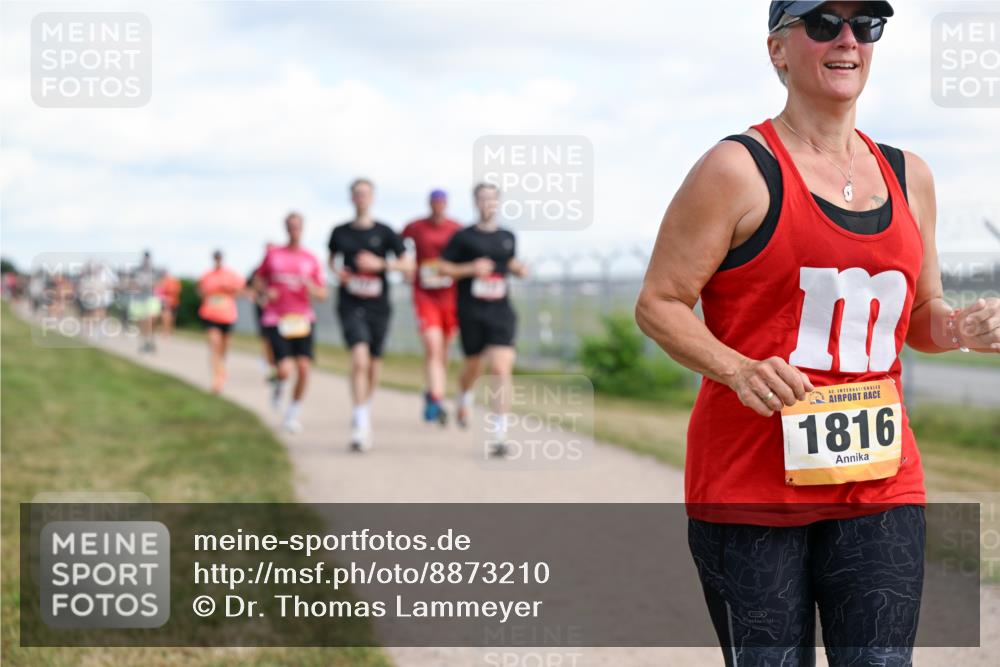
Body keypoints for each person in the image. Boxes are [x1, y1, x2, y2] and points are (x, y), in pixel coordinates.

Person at [635, 2, 1000, 665]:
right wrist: (738, 367)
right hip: (751, 487)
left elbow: (920, 316)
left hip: (879, 483)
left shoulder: (909, 174)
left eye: (866, 25)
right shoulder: (737, 169)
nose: (848, 39)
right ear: (777, 49)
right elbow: (659, 302)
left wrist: (960, 326)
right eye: (824, 23)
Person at [439, 183, 527, 457]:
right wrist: (469, 268)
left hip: (500, 311)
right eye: (482, 198)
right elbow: (441, 267)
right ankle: (464, 395)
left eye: (492, 198)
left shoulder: (508, 236)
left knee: (501, 368)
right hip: (471, 311)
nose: (487, 203)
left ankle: (499, 435)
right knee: (473, 368)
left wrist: (518, 268)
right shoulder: (463, 237)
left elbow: (509, 262)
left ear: (498, 203)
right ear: (475, 203)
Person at [328, 178, 412, 452]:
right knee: (359, 358)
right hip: (351, 303)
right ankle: (361, 423)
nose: (361, 198)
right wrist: (337, 273)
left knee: (374, 364)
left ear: (372, 198)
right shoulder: (340, 232)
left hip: (379, 305)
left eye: (365, 194)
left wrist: (381, 264)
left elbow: (407, 264)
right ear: (351, 198)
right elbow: (331, 260)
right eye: (356, 194)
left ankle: (362, 407)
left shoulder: (386, 231)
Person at [254, 213, 327, 433]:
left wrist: (312, 289)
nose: (294, 230)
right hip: (277, 318)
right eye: (291, 226)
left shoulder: (310, 258)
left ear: (302, 229)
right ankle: (279, 386)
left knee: (304, 367)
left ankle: (292, 414)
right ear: (286, 228)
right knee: (285, 369)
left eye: (298, 226)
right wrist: (267, 292)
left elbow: (322, 293)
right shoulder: (273, 255)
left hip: (303, 319)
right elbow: (257, 281)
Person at [402, 189, 463, 425]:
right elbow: (399, 246)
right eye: (434, 202)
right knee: (433, 345)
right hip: (424, 293)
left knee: (445, 349)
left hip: (449, 295)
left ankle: (431, 391)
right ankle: (437, 400)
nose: (438, 206)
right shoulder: (415, 227)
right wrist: (407, 265)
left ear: (446, 204)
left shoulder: (456, 228)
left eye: (442, 202)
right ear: (429, 204)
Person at [197, 250, 246, 393]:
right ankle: (216, 378)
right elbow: (200, 290)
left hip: (227, 315)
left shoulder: (231, 275)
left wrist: (230, 289)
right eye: (215, 258)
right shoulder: (207, 275)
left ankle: (221, 370)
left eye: (219, 258)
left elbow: (241, 290)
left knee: (223, 349)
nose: (217, 260)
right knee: (214, 344)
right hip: (211, 315)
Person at [127, 251, 160, 353]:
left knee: (151, 319)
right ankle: (144, 342)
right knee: (142, 321)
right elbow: (130, 284)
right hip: (139, 299)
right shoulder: (136, 271)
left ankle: (150, 339)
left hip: (150, 298)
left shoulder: (154, 271)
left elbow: (158, 284)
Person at [154, 270, 182, 337]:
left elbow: (175, 291)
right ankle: (165, 331)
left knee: (168, 317)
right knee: (165, 316)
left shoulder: (170, 282)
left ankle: (166, 331)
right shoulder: (162, 282)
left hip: (169, 302)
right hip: (165, 302)